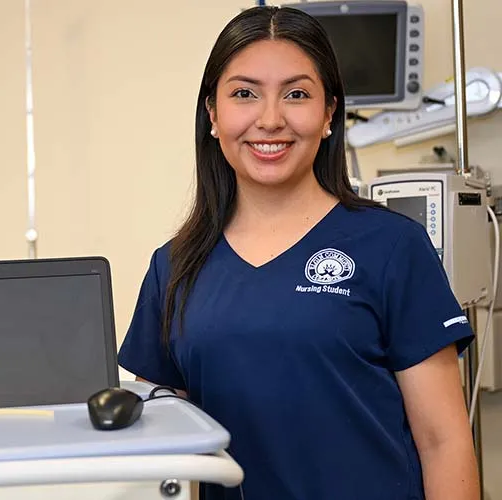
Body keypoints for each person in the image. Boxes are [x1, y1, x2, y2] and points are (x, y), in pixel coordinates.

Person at [117, 6, 481, 500]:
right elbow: (164, 449)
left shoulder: (391, 247)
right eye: (244, 94)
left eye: (297, 94)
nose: (270, 120)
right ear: (213, 114)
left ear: (329, 113)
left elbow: (444, 442)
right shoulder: (176, 266)